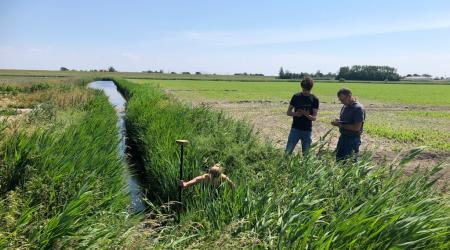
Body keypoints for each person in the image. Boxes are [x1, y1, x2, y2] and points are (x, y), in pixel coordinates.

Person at [285, 76, 319, 155]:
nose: (305, 92)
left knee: (306, 155)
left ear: (310, 88)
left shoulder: (315, 99)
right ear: (301, 87)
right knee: (287, 152)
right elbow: (288, 112)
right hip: (295, 129)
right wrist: (296, 114)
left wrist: (307, 115)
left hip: (307, 131)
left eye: (307, 90)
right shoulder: (296, 97)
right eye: (303, 90)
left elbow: (314, 118)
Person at [331, 88, 366, 161]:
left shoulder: (358, 108)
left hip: (352, 140)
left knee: (350, 162)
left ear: (349, 96)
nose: (342, 102)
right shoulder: (345, 106)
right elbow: (345, 120)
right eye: (340, 100)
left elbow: (357, 127)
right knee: (339, 161)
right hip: (343, 137)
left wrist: (339, 125)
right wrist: (339, 121)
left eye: (343, 100)